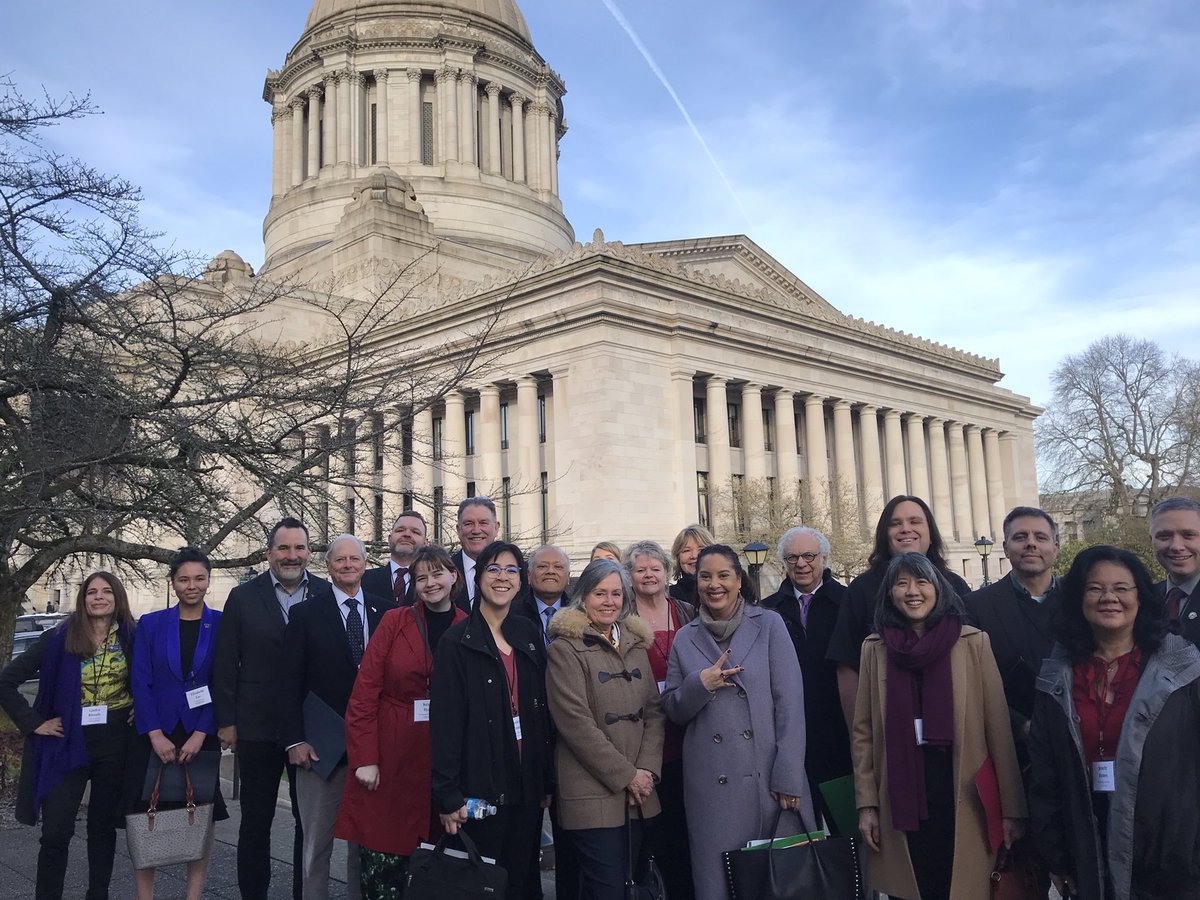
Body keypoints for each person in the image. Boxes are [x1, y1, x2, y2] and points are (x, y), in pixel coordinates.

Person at [1029, 545, 1200, 900]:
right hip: (1087, 850)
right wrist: (1055, 855)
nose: (1109, 597)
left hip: (1171, 859)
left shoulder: (1183, 671)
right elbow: (1045, 775)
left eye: (1122, 588)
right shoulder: (1056, 677)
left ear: (1141, 596)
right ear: (1078, 597)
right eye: (1095, 588)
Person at [853, 552, 1025, 900]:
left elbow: (999, 731)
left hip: (961, 794)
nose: (912, 591)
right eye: (901, 583)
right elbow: (864, 734)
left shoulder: (971, 643)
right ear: (889, 593)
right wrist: (867, 805)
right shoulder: (875, 649)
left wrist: (1012, 810)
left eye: (921, 581)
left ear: (938, 589)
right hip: (901, 797)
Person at [662, 544, 812, 900]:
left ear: (739, 580)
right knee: (719, 886)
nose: (715, 585)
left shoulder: (769, 624)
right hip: (711, 790)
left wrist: (789, 776)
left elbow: (789, 703)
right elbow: (672, 707)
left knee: (779, 885)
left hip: (770, 782)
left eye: (723, 575)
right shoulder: (685, 638)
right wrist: (701, 685)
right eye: (705, 576)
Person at [335, 546, 467, 899]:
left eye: (437, 573)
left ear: (453, 576)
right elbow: (364, 694)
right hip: (393, 753)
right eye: (421, 577)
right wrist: (365, 757)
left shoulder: (468, 627)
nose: (430, 583)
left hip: (444, 755)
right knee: (385, 861)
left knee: (438, 867)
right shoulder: (395, 622)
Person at [212, 517, 330, 900]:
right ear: (269, 553)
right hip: (258, 728)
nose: (292, 556)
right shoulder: (243, 597)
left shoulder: (326, 595)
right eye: (284, 548)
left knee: (307, 825)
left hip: (310, 731)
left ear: (310, 553)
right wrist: (227, 722)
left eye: (299, 548)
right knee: (256, 823)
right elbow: (226, 664)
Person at [0, 571, 136, 900]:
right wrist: (34, 723)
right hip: (67, 739)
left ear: (117, 598)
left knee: (102, 828)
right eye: (92, 592)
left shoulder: (133, 636)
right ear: (83, 598)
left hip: (115, 740)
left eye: (107, 591)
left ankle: (98, 895)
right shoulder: (60, 637)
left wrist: (144, 707)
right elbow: (7, 681)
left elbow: (154, 678)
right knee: (57, 832)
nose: (99, 597)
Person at [431, 541, 552, 900]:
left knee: (523, 881)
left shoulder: (528, 634)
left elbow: (539, 711)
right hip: (479, 789)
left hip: (526, 784)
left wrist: (544, 777)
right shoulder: (457, 641)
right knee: (483, 884)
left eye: (511, 570)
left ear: (521, 580)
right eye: (493, 569)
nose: (503, 577)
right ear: (479, 577)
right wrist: (447, 795)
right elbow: (446, 723)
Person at [281, 534, 396, 900]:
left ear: (365, 564)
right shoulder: (305, 614)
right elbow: (288, 683)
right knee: (317, 844)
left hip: (372, 750)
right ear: (328, 567)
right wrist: (294, 740)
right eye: (340, 560)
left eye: (355, 559)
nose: (348, 565)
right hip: (320, 749)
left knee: (365, 842)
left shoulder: (386, 611)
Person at [546, 558, 663, 900]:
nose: (609, 601)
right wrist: (626, 775)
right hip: (592, 793)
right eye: (600, 593)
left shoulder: (636, 644)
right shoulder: (564, 650)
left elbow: (654, 712)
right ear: (583, 597)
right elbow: (575, 723)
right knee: (607, 889)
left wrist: (646, 771)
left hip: (640, 792)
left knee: (636, 884)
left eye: (616, 594)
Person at [127, 547, 227, 900]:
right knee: (145, 816)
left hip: (201, 730)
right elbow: (141, 681)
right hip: (157, 730)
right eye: (184, 579)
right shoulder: (152, 624)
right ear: (173, 583)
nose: (192, 585)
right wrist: (154, 733)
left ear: (208, 580)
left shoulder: (221, 623)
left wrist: (202, 733)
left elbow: (222, 682)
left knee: (199, 816)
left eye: (199, 578)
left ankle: (193, 896)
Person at [827, 495, 972, 728]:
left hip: (955, 725)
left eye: (915, 521)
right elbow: (847, 666)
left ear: (930, 531)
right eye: (896, 524)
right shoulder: (862, 590)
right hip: (887, 728)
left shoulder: (954, 586)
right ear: (885, 533)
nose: (906, 529)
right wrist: (861, 738)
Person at [761, 526, 852, 830]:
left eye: (809, 556)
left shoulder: (848, 603)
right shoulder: (768, 610)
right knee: (799, 833)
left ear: (824, 558)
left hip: (838, 734)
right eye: (792, 557)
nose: (801, 564)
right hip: (789, 738)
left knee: (846, 827)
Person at [624, 539, 695, 898]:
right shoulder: (622, 619)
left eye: (655, 568)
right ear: (630, 576)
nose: (649, 575)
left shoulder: (685, 611)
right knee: (654, 833)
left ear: (668, 574)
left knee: (687, 830)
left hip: (689, 733)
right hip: (645, 739)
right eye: (640, 569)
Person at [1148, 496, 1200, 647]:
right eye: (1164, 536)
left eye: (1188, 535)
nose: (1176, 546)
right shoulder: (1143, 600)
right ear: (1151, 540)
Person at [362, 510, 429, 605]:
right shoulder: (363, 580)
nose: (407, 534)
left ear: (425, 543)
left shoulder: (432, 584)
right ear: (389, 539)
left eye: (415, 532)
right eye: (400, 530)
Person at [451, 497, 501, 610]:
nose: (476, 530)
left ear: (496, 528)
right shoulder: (444, 571)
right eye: (469, 524)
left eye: (483, 523)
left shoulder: (517, 573)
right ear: (459, 530)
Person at [667, 524, 715, 608]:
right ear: (678, 558)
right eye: (686, 550)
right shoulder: (668, 597)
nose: (694, 556)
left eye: (701, 549)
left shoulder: (724, 592)